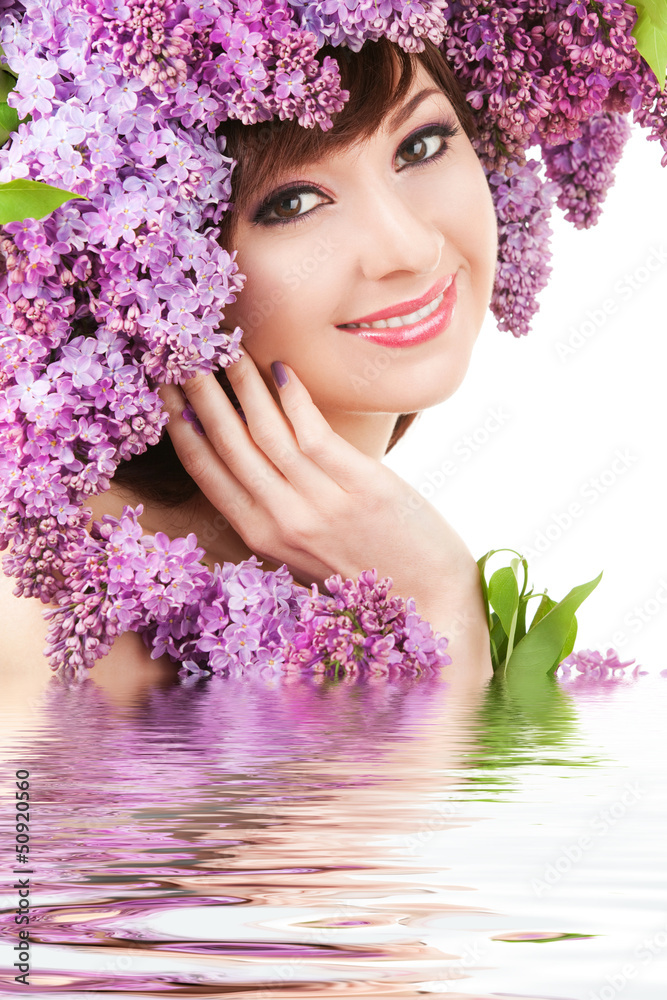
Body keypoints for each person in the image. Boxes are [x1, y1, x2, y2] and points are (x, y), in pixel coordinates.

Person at [1, 37, 496, 684]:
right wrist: (438, 606)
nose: (410, 248)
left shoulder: (365, 551)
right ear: (144, 266)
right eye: (290, 203)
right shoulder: (48, 625)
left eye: (419, 145)